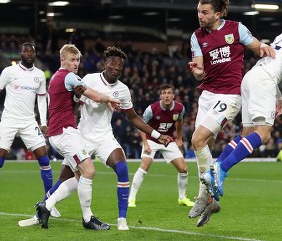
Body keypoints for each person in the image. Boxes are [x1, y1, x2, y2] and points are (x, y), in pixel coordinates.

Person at [25, 46, 173, 231]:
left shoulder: (123, 90)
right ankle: (41, 210)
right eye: (113, 63)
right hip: (81, 136)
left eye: (120, 65)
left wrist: (157, 135)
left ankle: (122, 220)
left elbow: (133, 117)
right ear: (105, 64)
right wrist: (65, 125)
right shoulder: (89, 79)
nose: (116, 67)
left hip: (105, 138)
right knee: (66, 178)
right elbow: (73, 105)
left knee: (122, 168)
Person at [201, 0, 282, 215]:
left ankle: (215, 166)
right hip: (263, 80)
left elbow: (275, 63)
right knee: (264, 135)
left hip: (252, 78)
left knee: (247, 134)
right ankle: (222, 168)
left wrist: (278, 96)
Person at [187, 0, 275, 227]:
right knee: (203, 147)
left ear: (218, 14)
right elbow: (199, 70)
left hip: (230, 95)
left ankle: (202, 196)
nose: (200, 16)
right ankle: (209, 199)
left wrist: (267, 49)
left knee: (197, 140)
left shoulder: (236, 29)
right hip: (207, 95)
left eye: (204, 12)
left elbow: (259, 48)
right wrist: (196, 71)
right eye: (198, 11)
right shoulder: (197, 36)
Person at [0, 42, 58, 218]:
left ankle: (49, 203)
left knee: (45, 159)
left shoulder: (39, 75)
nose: (30, 53)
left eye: (32, 50)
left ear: (35, 53)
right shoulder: (9, 71)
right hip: (9, 120)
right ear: (20, 53)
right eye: (26, 50)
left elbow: (41, 100)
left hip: (29, 121)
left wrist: (44, 122)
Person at [128, 84, 194, 208]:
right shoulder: (152, 109)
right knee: (144, 166)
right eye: (163, 93)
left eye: (169, 93)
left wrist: (179, 138)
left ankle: (182, 198)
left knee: (183, 169)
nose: (166, 95)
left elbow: (179, 122)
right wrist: (145, 143)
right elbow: (141, 125)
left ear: (173, 95)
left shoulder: (180, 108)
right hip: (152, 139)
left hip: (168, 140)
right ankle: (131, 199)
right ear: (160, 96)